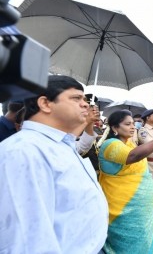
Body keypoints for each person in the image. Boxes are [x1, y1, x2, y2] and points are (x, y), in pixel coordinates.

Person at [0, 75, 108, 253]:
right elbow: (26, 242)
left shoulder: (61, 144)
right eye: (76, 98)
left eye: (84, 99)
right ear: (45, 103)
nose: (86, 104)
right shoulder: (23, 151)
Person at [98, 110, 153, 253]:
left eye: (132, 124)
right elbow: (133, 156)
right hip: (124, 211)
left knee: (147, 241)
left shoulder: (128, 143)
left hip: (142, 210)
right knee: (130, 245)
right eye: (127, 124)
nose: (132, 127)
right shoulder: (109, 145)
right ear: (115, 128)